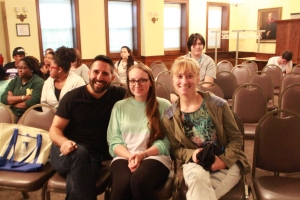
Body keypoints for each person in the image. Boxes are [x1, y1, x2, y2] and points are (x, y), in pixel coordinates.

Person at [163, 56, 250, 200]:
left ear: (198, 79)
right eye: (179, 76)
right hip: (195, 163)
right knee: (199, 181)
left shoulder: (218, 105)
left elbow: (236, 139)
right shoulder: (170, 116)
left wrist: (222, 161)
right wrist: (192, 154)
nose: (184, 81)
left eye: (189, 76)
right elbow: (176, 149)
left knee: (199, 192)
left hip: (228, 160)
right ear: (173, 81)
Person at [49, 55, 126, 200]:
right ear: (88, 73)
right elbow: (55, 129)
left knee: (77, 178)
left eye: (105, 73)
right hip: (64, 151)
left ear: (112, 77)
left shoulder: (119, 95)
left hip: (93, 155)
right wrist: (64, 142)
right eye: (96, 72)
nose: (99, 77)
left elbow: (147, 100)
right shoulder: (72, 98)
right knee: (79, 154)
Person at [107, 63, 171, 200]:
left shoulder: (164, 105)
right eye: (133, 80)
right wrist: (130, 157)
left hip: (155, 156)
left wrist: (143, 154)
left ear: (151, 83)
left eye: (142, 80)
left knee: (138, 181)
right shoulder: (119, 106)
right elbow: (114, 140)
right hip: (124, 156)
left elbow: (166, 141)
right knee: (122, 185)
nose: (137, 84)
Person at [1, 56, 44, 121]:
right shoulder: (14, 81)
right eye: (18, 67)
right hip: (14, 112)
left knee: (19, 127)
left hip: (31, 114)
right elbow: (3, 99)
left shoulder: (38, 82)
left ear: (31, 69)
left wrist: (12, 101)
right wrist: (24, 97)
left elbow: (33, 102)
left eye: (23, 68)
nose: (19, 70)